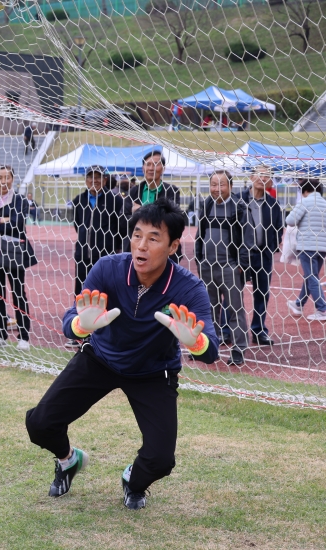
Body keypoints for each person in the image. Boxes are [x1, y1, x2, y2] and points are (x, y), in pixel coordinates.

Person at [25, 199, 219, 510]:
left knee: (161, 459)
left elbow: (211, 349)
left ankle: (134, 481)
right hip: (100, 359)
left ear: (172, 247)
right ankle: (68, 460)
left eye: (154, 238)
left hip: (153, 372)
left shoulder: (188, 289)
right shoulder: (108, 269)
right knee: (39, 424)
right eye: (137, 235)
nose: (142, 245)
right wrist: (80, 324)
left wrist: (194, 343)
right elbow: (70, 321)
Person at [194, 170, 251, 366]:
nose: (217, 189)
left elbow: (246, 239)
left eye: (222, 185)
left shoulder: (239, 207)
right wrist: (199, 260)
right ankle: (208, 348)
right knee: (208, 310)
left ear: (230, 186)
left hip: (230, 267)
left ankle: (239, 349)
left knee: (235, 309)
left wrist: (241, 266)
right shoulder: (207, 204)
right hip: (207, 267)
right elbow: (199, 235)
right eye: (213, 184)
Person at [68, 165, 127, 347]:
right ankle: (80, 332)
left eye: (98, 177)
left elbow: (121, 228)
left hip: (106, 258)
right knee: (82, 293)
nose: (94, 180)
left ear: (105, 180)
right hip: (83, 256)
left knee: (106, 294)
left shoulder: (115, 200)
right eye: (90, 177)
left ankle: (105, 334)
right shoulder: (79, 200)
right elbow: (78, 225)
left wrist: (113, 250)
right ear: (85, 180)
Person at [0, 165, 38, 350]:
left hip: (15, 252)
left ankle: (23, 337)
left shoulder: (20, 200)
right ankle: (0, 334)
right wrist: (2, 220)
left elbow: (17, 225)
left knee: (18, 294)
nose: (4, 181)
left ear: (12, 179)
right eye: (0, 177)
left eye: (7, 177)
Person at [240, 166, 285, 345]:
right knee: (233, 293)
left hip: (262, 255)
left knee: (262, 294)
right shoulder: (238, 200)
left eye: (267, 175)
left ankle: (258, 331)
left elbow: (277, 228)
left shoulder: (273, 204)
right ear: (251, 176)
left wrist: (271, 247)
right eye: (259, 173)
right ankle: (227, 331)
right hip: (242, 255)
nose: (263, 177)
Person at [125, 150, 181, 262]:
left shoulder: (171, 191)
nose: (151, 168)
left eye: (156, 164)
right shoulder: (133, 192)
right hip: (137, 250)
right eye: (148, 164)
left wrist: (140, 211)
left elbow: (174, 220)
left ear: (163, 168)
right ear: (143, 168)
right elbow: (124, 220)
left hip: (163, 252)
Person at [285, 179, 326, 321]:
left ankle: (322, 308)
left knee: (311, 277)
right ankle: (298, 304)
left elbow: (290, 220)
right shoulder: (325, 203)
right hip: (322, 247)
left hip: (307, 245)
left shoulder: (305, 202)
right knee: (311, 276)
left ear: (305, 190)